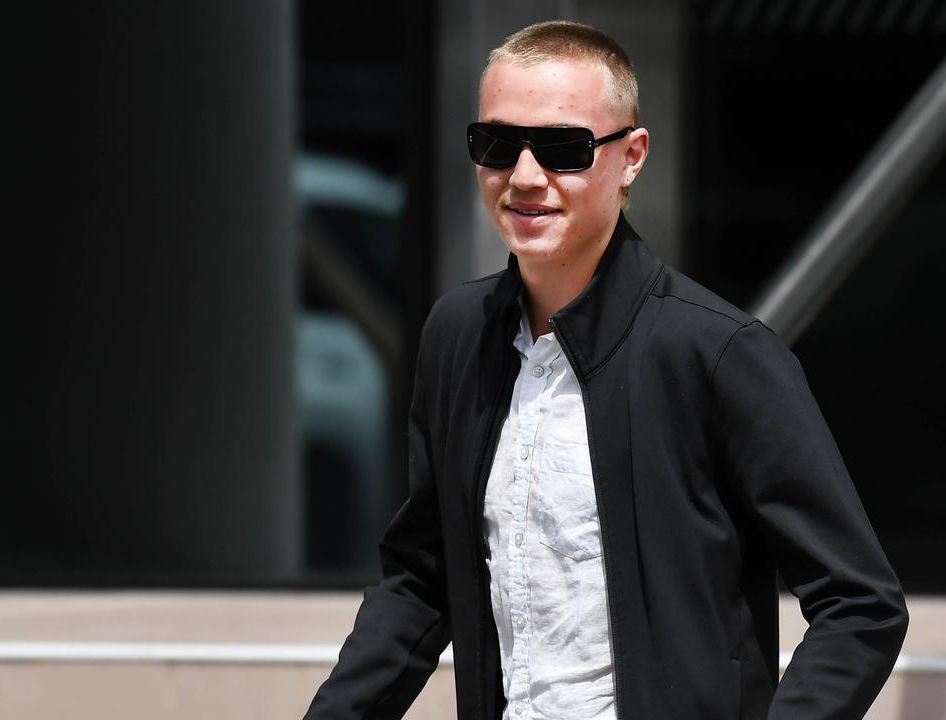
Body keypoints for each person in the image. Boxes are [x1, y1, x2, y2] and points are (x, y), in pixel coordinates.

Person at [305, 20, 907, 720]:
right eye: (497, 144)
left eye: (563, 148)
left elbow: (859, 603)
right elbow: (422, 575)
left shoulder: (718, 352)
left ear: (631, 156)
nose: (525, 177)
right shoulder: (457, 336)